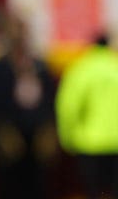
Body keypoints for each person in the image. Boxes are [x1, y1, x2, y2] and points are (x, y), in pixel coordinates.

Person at [55, 33, 118, 198]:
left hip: (89, 144)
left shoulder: (80, 69)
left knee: (94, 192)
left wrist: (67, 139)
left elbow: (68, 107)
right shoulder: (115, 66)